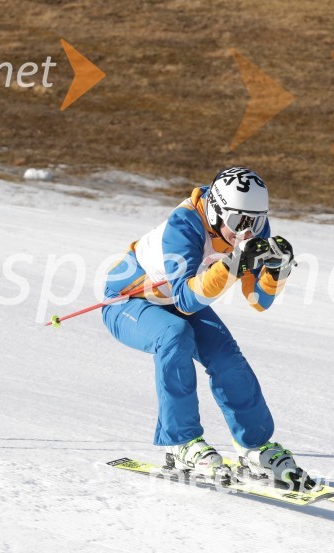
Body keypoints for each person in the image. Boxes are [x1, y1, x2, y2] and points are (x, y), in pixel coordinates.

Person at [102, 167, 313, 490]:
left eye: (255, 222)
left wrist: (277, 271)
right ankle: (181, 442)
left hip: (176, 299)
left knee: (226, 357)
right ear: (215, 210)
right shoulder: (184, 225)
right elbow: (186, 301)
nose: (247, 232)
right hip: (127, 301)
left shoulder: (251, 229)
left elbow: (258, 300)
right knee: (175, 336)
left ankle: (254, 446)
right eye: (239, 222)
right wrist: (232, 265)